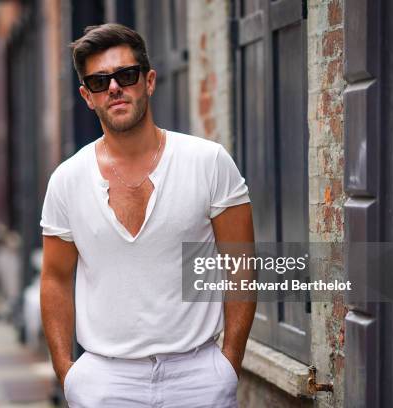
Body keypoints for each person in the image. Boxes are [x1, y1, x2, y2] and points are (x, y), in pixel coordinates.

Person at [40, 23, 255, 407]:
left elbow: (241, 266)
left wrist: (228, 365)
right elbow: (55, 279)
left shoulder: (208, 162)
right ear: (86, 96)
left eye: (126, 75)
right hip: (105, 382)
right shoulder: (67, 181)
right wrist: (67, 372)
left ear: (149, 81)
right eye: (99, 81)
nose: (114, 88)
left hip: (197, 377)